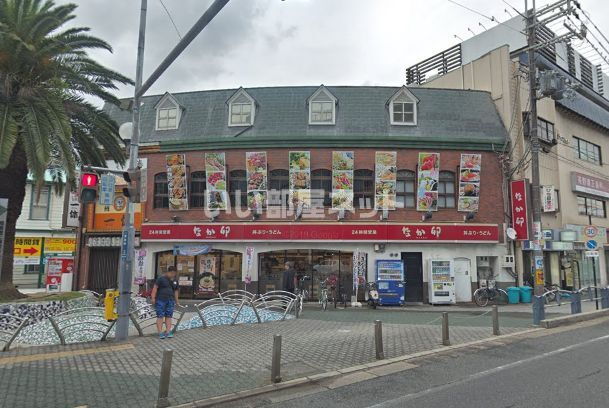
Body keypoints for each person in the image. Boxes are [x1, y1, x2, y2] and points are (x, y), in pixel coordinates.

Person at [151, 266, 180, 339]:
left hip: (170, 300)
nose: (173, 275)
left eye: (174, 273)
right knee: (160, 316)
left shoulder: (175, 280)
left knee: (169, 316)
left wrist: (177, 301)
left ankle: (168, 331)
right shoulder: (161, 279)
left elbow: (176, 291)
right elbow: (155, 288)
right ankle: (160, 332)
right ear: (168, 272)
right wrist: (153, 298)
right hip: (161, 300)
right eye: (172, 273)